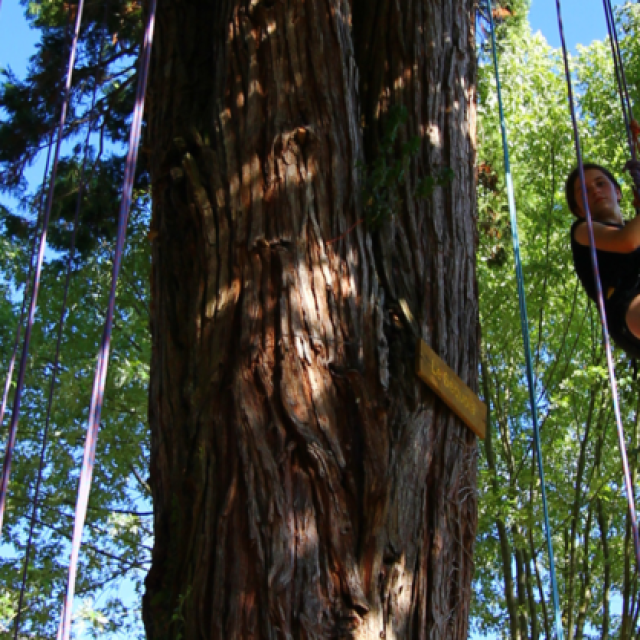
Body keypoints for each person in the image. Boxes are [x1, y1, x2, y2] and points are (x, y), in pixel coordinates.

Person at [566, 161, 640, 358]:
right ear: (579, 211)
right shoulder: (582, 230)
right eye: (584, 192)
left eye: (600, 183)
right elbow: (626, 241)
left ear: (617, 192)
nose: (595, 191)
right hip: (627, 307)